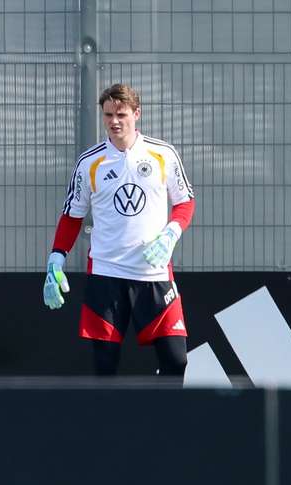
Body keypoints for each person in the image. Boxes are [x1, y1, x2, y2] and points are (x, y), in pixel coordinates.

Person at [42, 83, 196, 379]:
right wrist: (55, 260)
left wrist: (170, 234)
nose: (114, 121)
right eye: (108, 114)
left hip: (153, 275)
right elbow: (72, 215)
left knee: (177, 360)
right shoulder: (90, 163)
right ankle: (108, 425)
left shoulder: (163, 154)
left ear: (136, 114)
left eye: (121, 114)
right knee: (105, 368)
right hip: (106, 274)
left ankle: (167, 423)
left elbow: (185, 202)